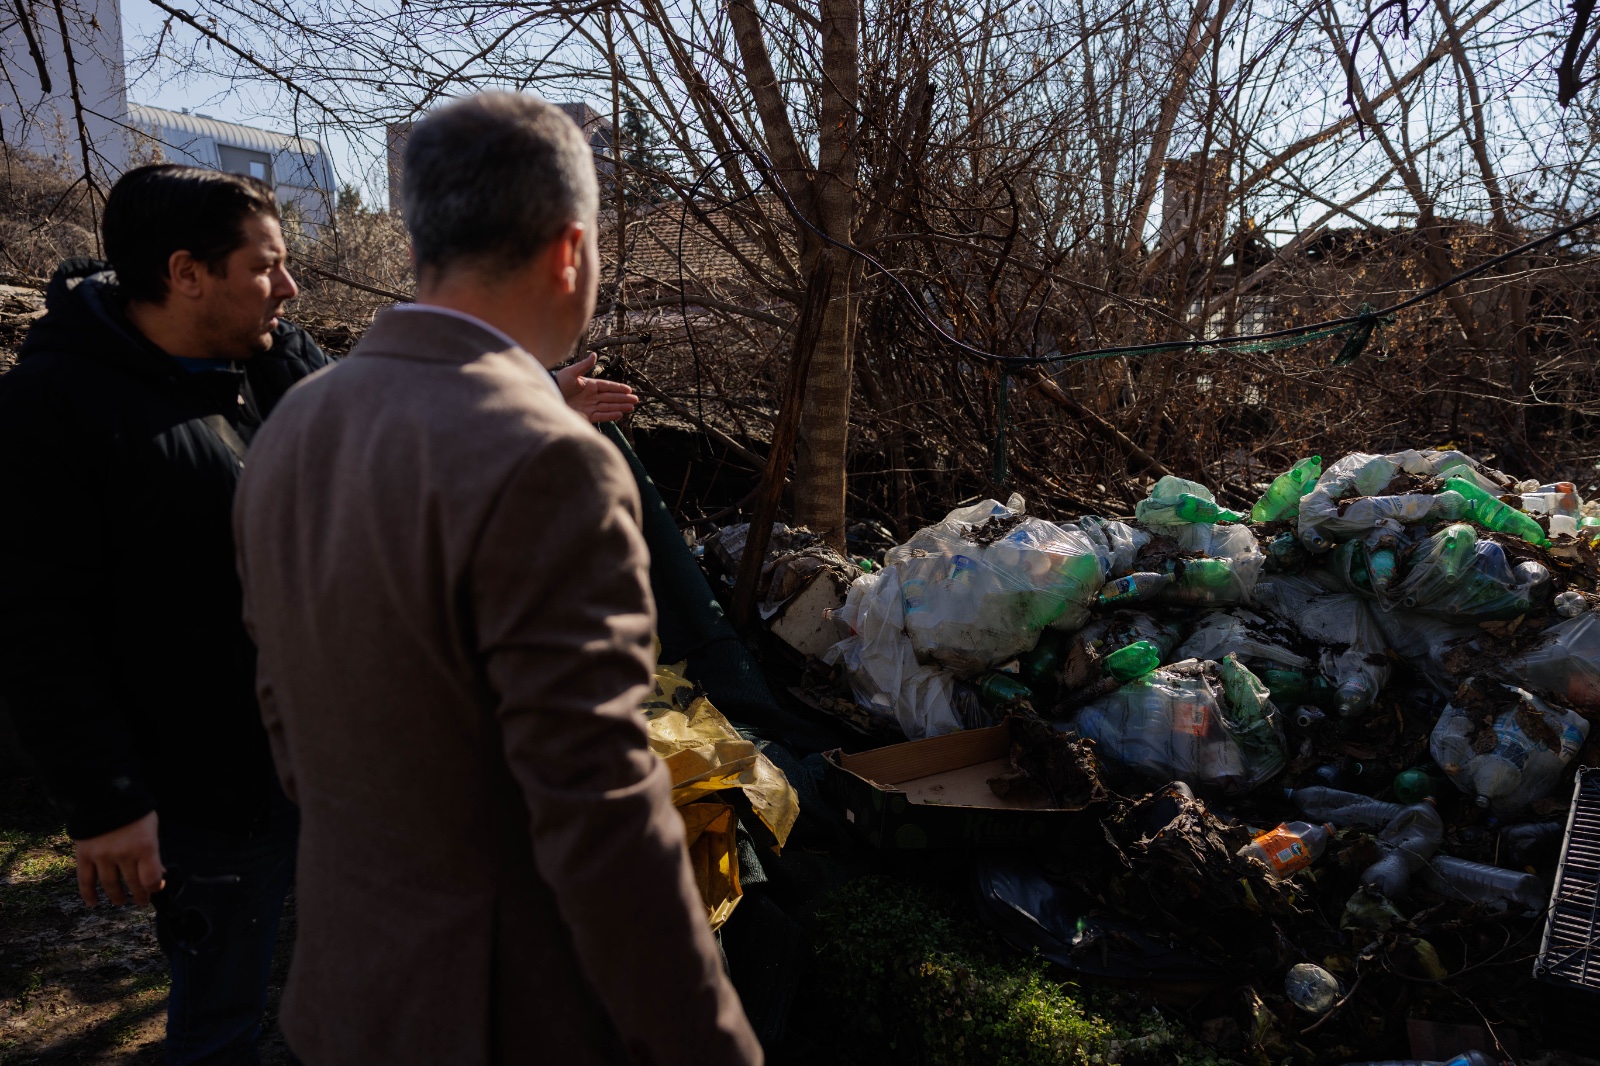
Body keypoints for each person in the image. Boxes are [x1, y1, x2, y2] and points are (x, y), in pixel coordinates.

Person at [232, 93, 761, 1064]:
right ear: (571, 251)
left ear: (419, 247)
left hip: (343, 994)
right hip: (499, 1016)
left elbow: (285, 717)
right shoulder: (551, 460)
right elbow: (600, 807)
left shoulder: (293, 426)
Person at [0, 165, 325, 1063]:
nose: (289, 287)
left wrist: (528, 411)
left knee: (344, 993)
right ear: (187, 273)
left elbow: (391, 430)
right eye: (266, 266)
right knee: (222, 1022)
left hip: (328, 759)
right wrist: (107, 802)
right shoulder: (51, 409)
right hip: (209, 794)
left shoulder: (276, 364)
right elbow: (36, 625)